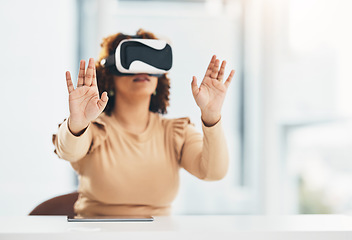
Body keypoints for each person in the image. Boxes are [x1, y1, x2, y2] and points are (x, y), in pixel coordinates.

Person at [52, 29, 235, 217]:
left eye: (150, 60)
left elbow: (214, 172)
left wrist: (212, 116)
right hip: (98, 234)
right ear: (110, 74)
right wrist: (77, 123)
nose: (142, 68)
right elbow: (69, 151)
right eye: (132, 59)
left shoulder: (175, 133)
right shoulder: (94, 129)